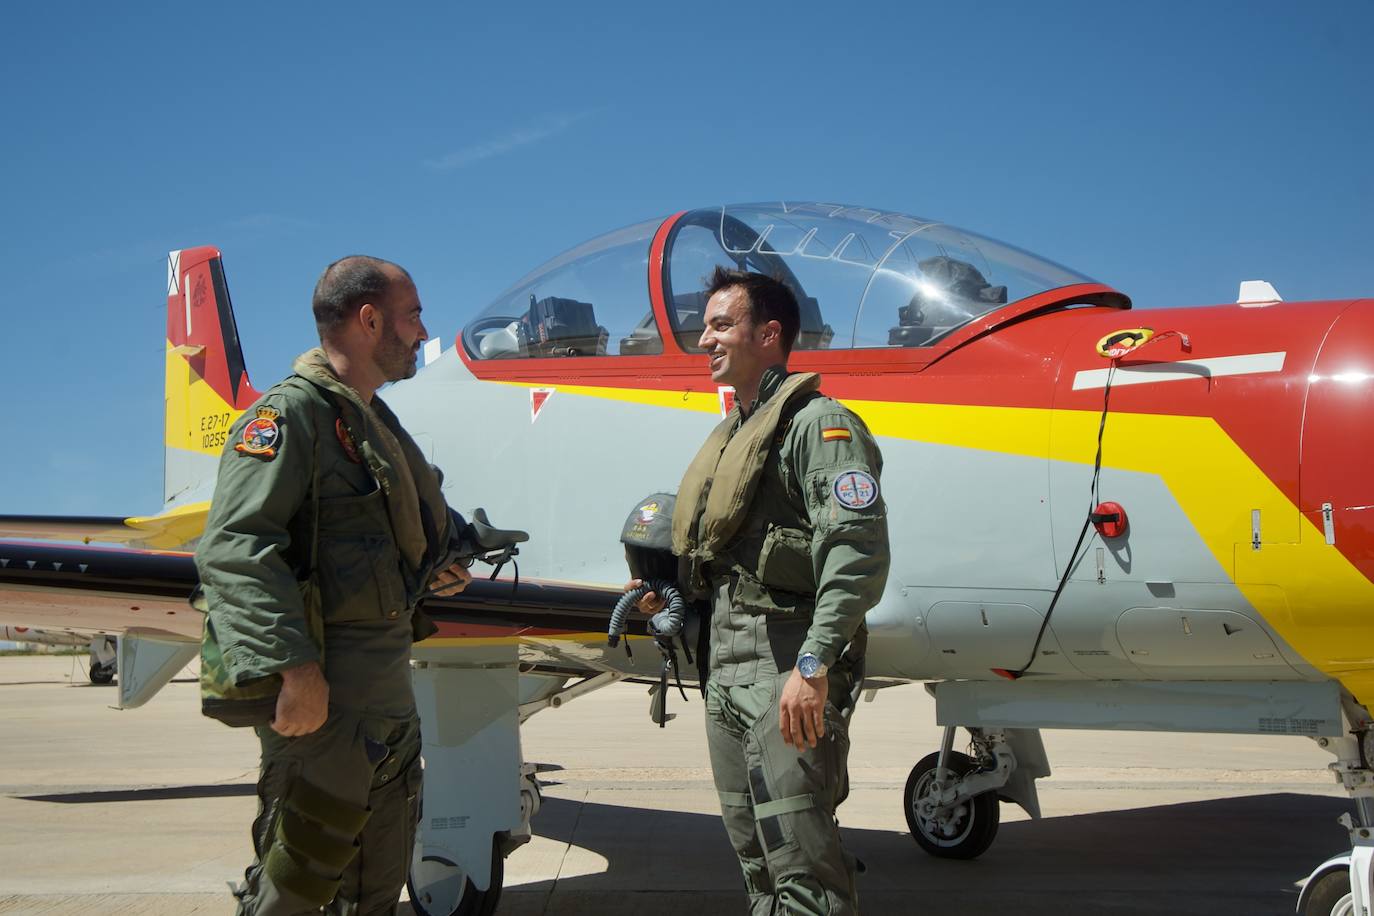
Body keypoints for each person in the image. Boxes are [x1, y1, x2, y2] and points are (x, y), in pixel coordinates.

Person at [194, 256, 472, 915]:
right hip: (325, 714)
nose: (423, 332)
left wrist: (440, 564)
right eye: (412, 316)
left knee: (372, 891)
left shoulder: (374, 425)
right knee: (298, 893)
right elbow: (235, 548)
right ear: (368, 321)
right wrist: (294, 670)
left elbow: (375, 544)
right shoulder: (290, 420)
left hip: (386, 712)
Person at [634, 267, 890, 915]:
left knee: (803, 870)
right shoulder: (734, 434)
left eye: (721, 325)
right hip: (727, 675)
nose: (704, 341)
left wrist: (814, 665)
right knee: (757, 867)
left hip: (787, 672)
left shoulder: (819, 428)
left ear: (769, 333)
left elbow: (855, 554)